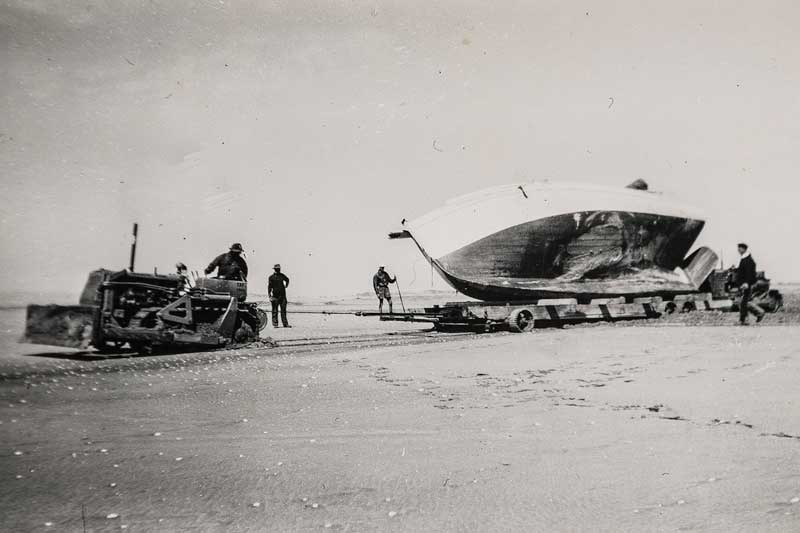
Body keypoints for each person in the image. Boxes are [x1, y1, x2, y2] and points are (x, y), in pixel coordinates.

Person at [735, 243, 765, 325]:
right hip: (745, 284)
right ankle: (744, 320)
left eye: (740, 248)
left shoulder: (748, 260)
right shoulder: (745, 259)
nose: (738, 250)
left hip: (747, 284)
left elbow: (749, 273)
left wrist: (746, 283)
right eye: (738, 248)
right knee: (743, 302)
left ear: (744, 249)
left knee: (744, 302)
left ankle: (759, 313)